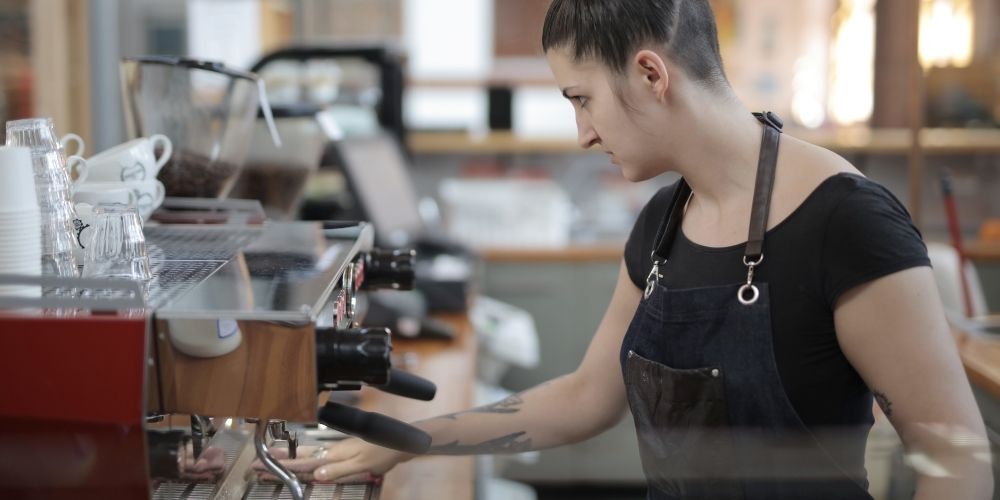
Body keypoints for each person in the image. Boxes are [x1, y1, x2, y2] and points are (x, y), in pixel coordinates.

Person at [269, 1, 993, 498]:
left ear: (651, 73)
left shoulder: (848, 223)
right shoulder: (662, 223)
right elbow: (588, 396)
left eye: (581, 99)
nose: (582, 132)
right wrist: (412, 438)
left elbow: (958, 459)